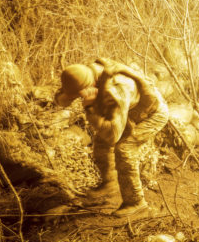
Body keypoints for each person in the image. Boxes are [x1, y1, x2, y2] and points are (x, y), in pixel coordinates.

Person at [54, 58, 169, 217]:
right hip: (130, 110)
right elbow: (62, 98)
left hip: (152, 114)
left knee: (125, 148)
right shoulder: (85, 74)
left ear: (89, 86)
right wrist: (70, 96)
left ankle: (136, 203)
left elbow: (114, 135)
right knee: (101, 141)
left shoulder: (115, 89)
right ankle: (110, 185)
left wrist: (90, 108)